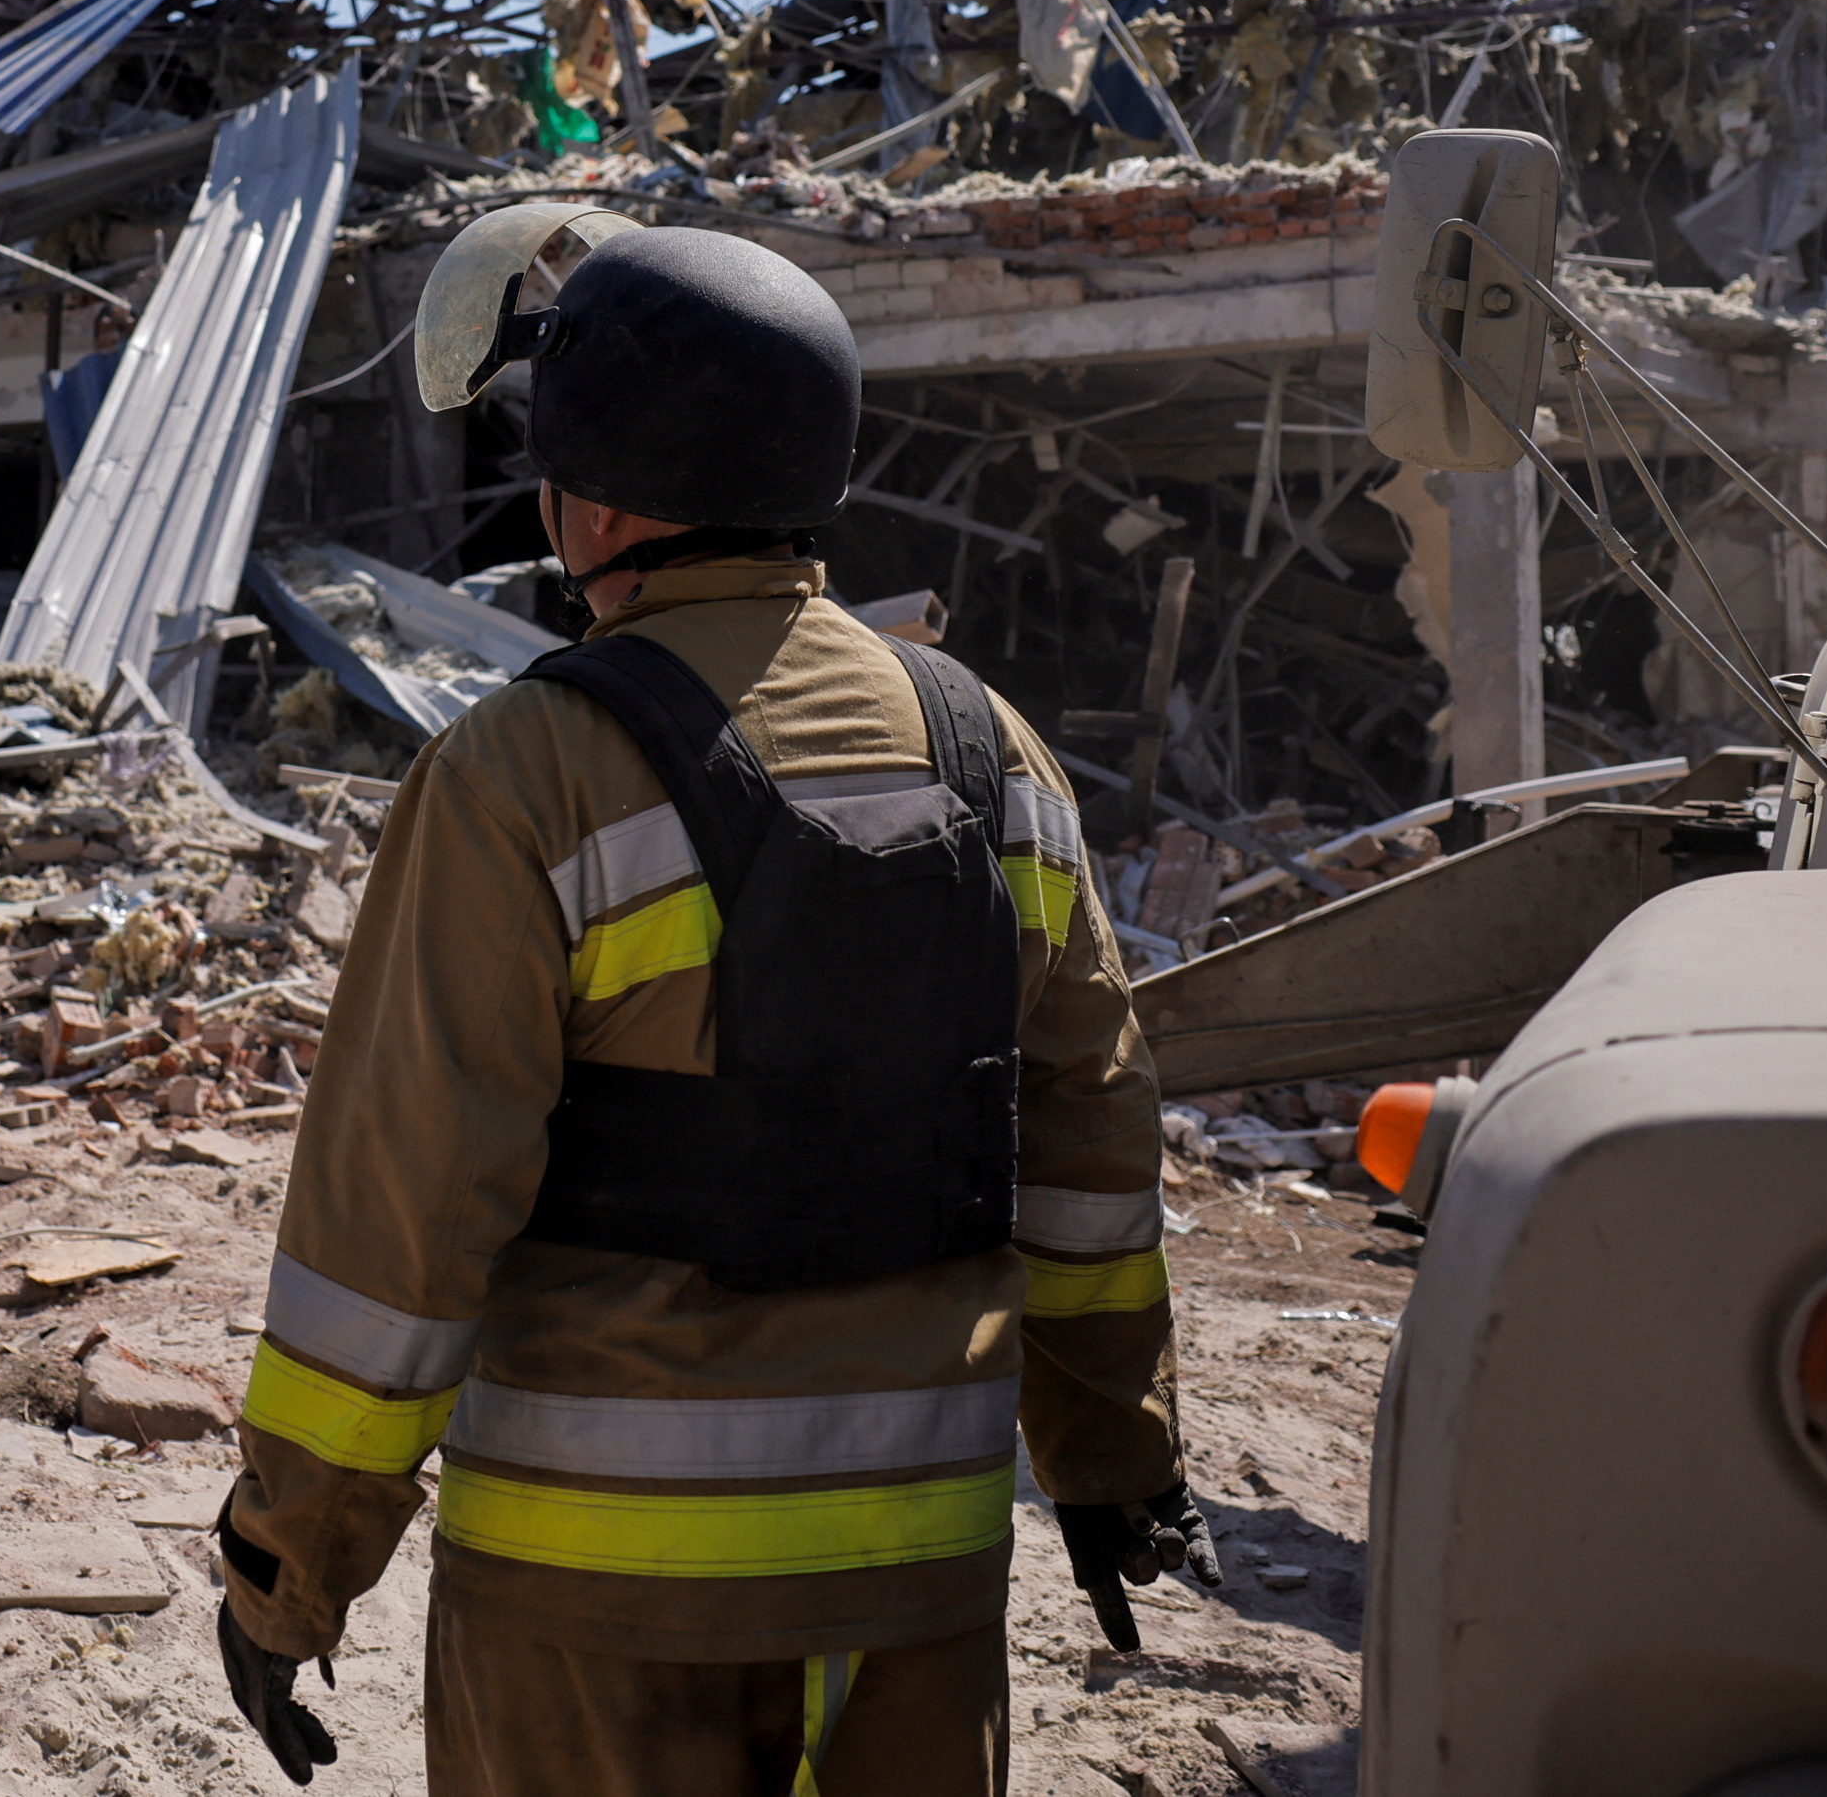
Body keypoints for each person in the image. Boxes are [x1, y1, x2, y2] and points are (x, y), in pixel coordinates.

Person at [213, 213, 1217, 1794]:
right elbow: (1090, 1148)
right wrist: (1110, 1457)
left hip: (599, 1600)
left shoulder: (520, 777)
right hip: (917, 1580)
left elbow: (398, 1219)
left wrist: (292, 1564)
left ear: (592, 502)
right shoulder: (989, 750)